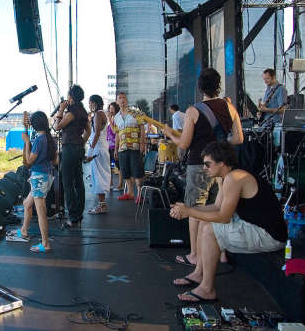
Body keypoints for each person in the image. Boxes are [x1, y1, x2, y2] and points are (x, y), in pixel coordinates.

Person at [170, 142, 287, 303]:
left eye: (207, 164)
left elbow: (224, 217)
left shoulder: (235, 178)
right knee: (202, 220)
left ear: (221, 163)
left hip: (269, 236)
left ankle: (207, 289)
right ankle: (198, 273)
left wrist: (189, 211)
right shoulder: (227, 176)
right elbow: (217, 207)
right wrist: (188, 210)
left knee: (210, 230)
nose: (204, 168)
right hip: (255, 226)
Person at [162, 68, 243, 267]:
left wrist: (170, 133)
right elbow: (239, 138)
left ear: (200, 87)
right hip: (222, 166)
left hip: (199, 164)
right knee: (219, 208)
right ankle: (221, 252)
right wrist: (222, 144)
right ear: (218, 85)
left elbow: (184, 143)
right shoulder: (230, 108)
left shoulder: (193, 111)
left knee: (195, 209)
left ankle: (195, 255)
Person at [7, 111, 58, 252]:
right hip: (47, 175)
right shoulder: (49, 138)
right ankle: (23, 230)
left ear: (34, 125)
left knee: (41, 213)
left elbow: (29, 161)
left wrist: (26, 142)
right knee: (27, 204)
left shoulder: (39, 140)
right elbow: (55, 160)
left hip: (39, 177)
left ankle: (45, 244)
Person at [54, 85, 90, 228]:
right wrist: (82, 142)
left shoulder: (71, 112)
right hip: (78, 148)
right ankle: (78, 215)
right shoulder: (83, 111)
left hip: (69, 149)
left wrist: (61, 110)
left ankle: (73, 218)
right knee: (78, 182)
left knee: (67, 183)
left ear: (71, 97)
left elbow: (57, 127)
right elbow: (88, 130)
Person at [113, 92, 146, 204]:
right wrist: (116, 148)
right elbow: (117, 134)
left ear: (126, 101)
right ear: (117, 102)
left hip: (135, 147)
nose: (122, 100)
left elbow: (142, 128)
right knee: (125, 170)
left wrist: (142, 143)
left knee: (137, 171)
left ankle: (140, 194)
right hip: (122, 148)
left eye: (124, 98)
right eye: (120, 98)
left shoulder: (135, 113)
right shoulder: (116, 117)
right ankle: (130, 193)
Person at [85, 95, 111, 214]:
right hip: (102, 148)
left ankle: (102, 205)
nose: (89, 105)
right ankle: (102, 204)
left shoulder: (98, 115)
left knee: (98, 177)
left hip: (97, 149)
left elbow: (96, 134)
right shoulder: (102, 114)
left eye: (90, 103)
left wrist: (90, 152)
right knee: (100, 176)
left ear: (94, 103)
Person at [107, 102, 123, 191]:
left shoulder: (117, 118)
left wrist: (109, 120)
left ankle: (120, 185)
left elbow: (114, 132)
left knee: (119, 166)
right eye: (110, 108)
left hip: (116, 146)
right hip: (109, 146)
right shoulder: (112, 118)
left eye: (112, 108)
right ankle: (110, 183)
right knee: (109, 166)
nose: (110, 110)